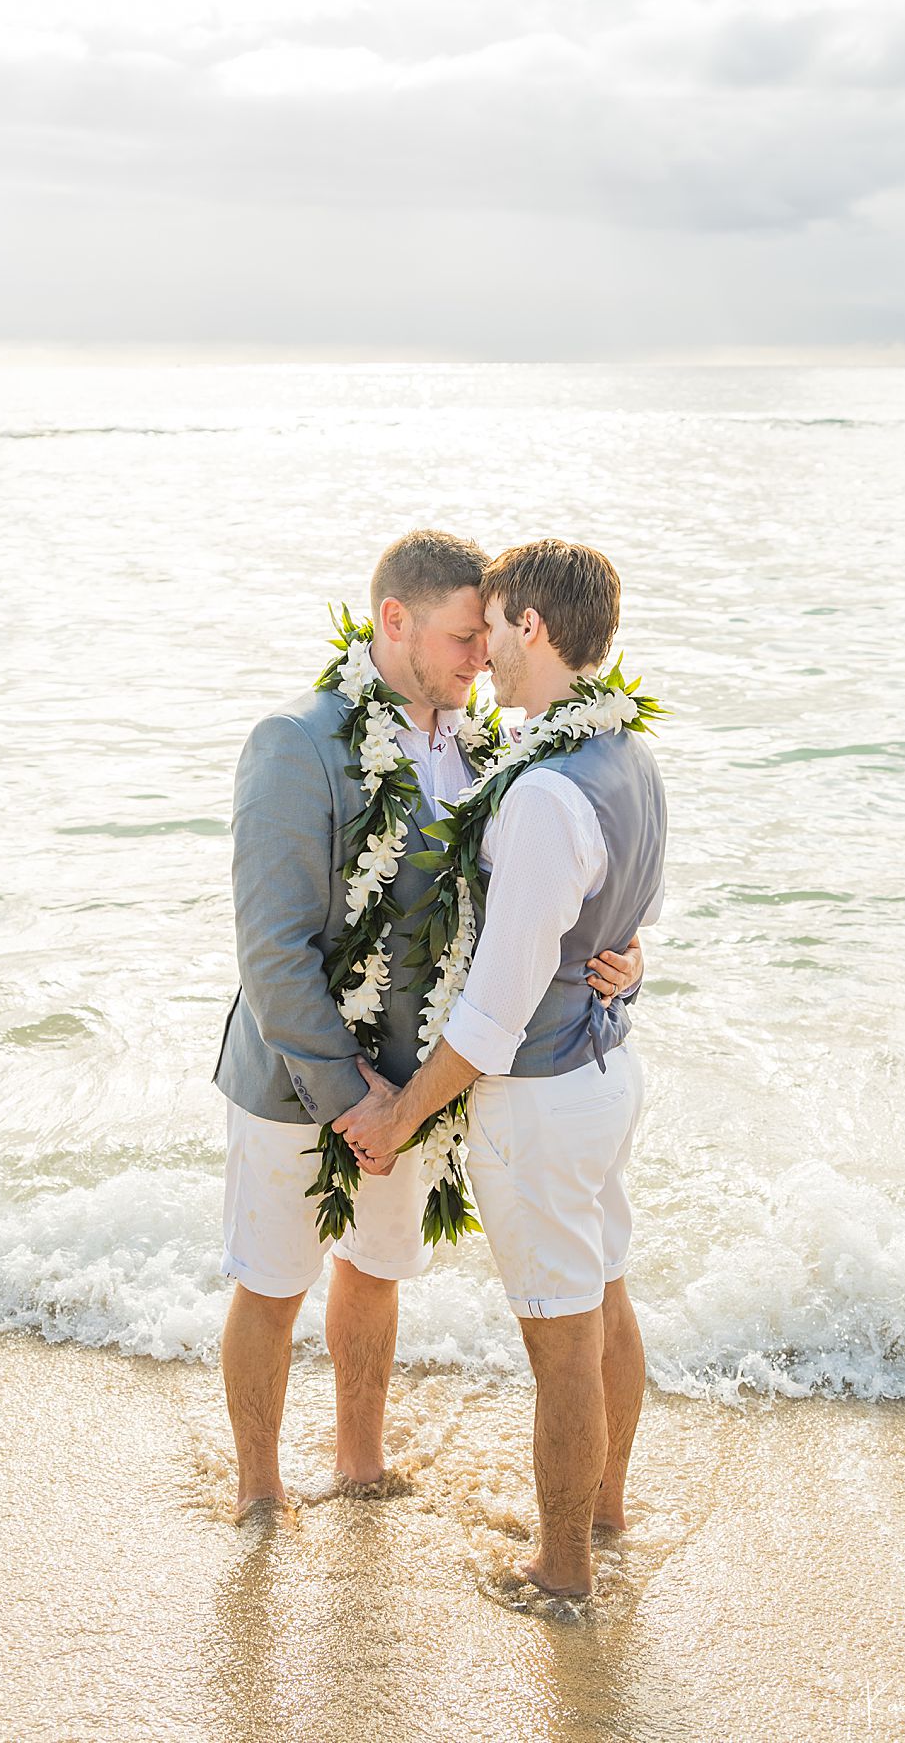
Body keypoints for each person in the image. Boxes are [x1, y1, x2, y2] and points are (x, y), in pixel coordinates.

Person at [212, 529, 644, 1514]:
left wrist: (622, 962)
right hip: (299, 1083)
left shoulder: (485, 741)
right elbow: (270, 951)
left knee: (374, 1273)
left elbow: (540, 903)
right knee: (272, 1284)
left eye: (484, 638)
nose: (480, 657)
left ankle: (359, 1463)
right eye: (461, 637)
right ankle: (258, 1491)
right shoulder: (298, 741)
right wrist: (348, 1094)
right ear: (393, 622)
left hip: (412, 1089)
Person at [333, 539, 667, 1595]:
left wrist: (398, 1118)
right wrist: (627, 964)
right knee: (605, 1296)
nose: (484, 654)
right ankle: (605, 1513)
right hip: (609, 1076)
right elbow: (635, 913)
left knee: (561, 1341)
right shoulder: (626, 759)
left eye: (497, 628)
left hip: (541, 1100)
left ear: (535, 628)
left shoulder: (542, 798)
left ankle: (563, 1567)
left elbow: (489, 1016)